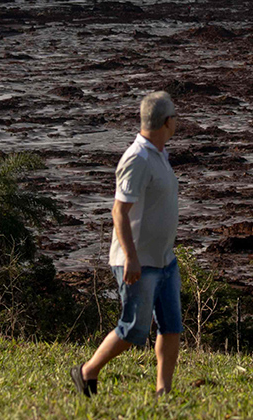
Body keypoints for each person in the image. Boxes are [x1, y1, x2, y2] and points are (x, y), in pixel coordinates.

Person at [71, 91, 182, 398]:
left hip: (164, 261)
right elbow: (119, 212)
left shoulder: (159, 154)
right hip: (138, 262)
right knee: (133, 330)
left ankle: (164, 392)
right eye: (175, 117)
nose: (177, 122)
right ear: (167, 122)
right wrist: (131, 258)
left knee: (171, 326)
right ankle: (87, 371)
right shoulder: (137, 159)